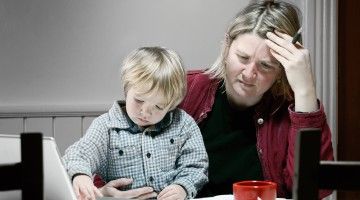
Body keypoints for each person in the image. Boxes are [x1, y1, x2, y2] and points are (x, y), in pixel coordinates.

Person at [178, 0, 334, 199]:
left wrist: (305, 91)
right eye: (243, 58)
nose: (249, 74)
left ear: (281, 70)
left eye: (266, 66)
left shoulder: (291, 107)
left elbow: (314, 190)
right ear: (226, 46)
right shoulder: (186, 89)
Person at [62, 46, 208, 200]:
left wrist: (183, 187)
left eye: (159, 106)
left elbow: (196, 164)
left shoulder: (183, 124)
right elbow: (79, 154)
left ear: (171, 105)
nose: (145, 112)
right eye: (139, 100)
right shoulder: (106, 126)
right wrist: (80, 175)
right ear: (127, 88)